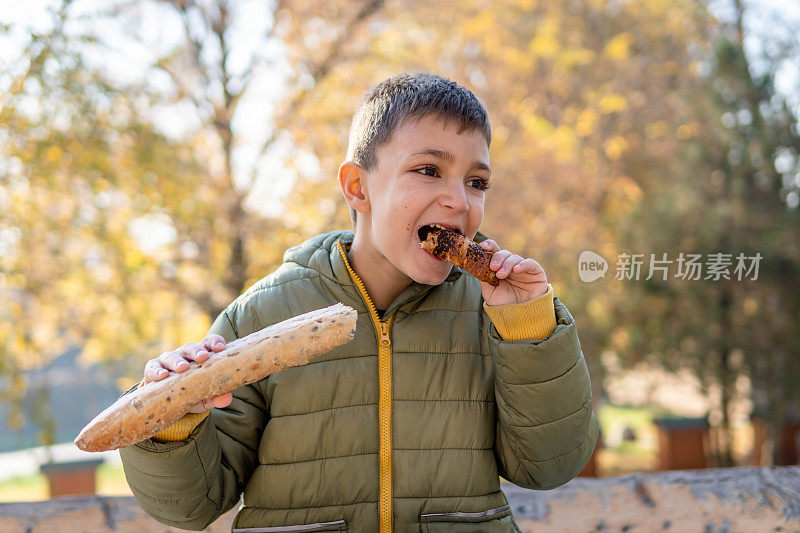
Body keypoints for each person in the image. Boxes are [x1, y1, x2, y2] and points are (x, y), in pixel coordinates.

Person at [119, 72, 599, 533]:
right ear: (358, 187)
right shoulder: (263, 313)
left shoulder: (496, 313)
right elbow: (190, 504)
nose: (459, 200)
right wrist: (171, 419)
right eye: (429, 170)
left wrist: (528, 328)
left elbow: (549, 465)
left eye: (477, 182)